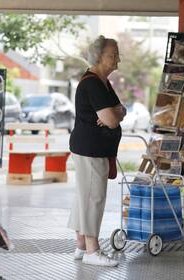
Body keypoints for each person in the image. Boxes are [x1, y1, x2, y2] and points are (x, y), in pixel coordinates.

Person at [67, 35, 126, 267]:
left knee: (84, 196)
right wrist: (116, 113)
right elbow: (112, 119)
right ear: (99, 56)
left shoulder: (102, 82)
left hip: (91, 148)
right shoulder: (93, 83)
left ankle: (81, 245)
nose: (117, 59)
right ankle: (93, 250)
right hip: (90, 149)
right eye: (113, 54)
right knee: (93, 198)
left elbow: (119, 110)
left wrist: (118, 111)